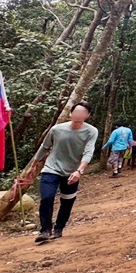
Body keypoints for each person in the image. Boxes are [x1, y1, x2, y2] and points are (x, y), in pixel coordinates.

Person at [32, 102, 98, 243]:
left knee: (67, 202)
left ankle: (58, 228)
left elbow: (88, 152)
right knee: (47, 198)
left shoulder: (91, 131)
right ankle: (45, 230)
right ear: (70, 114)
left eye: (83, 112)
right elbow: (45, 147)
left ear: (88, 115)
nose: (79, 115)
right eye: (76, 112)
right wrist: (34, 163)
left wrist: (79, 171)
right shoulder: (57, 129)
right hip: (51, 169)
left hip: (73, 172)